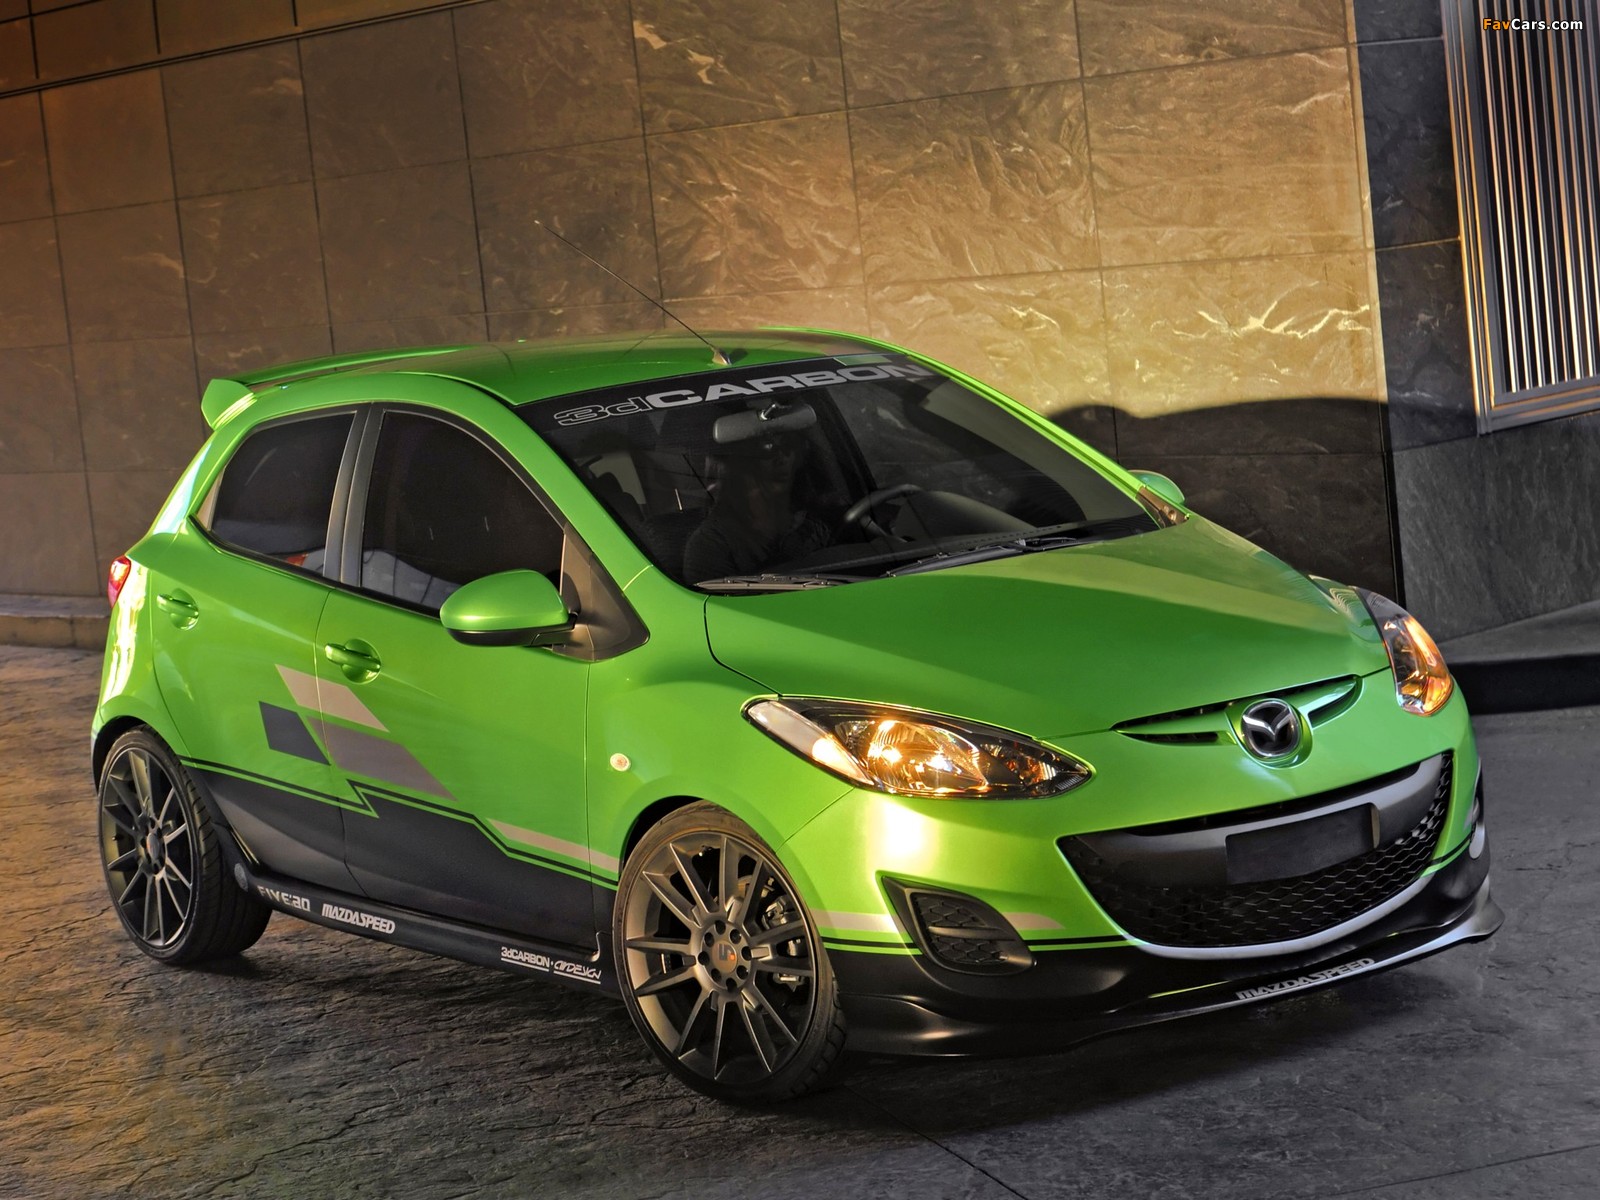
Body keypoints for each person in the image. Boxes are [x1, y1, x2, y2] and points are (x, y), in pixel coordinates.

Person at [683, 431, 832, 582]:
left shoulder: (811, 523)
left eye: (788, 446)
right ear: (739, 467)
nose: (781, 459)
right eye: (766, 450)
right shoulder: (710, 544)